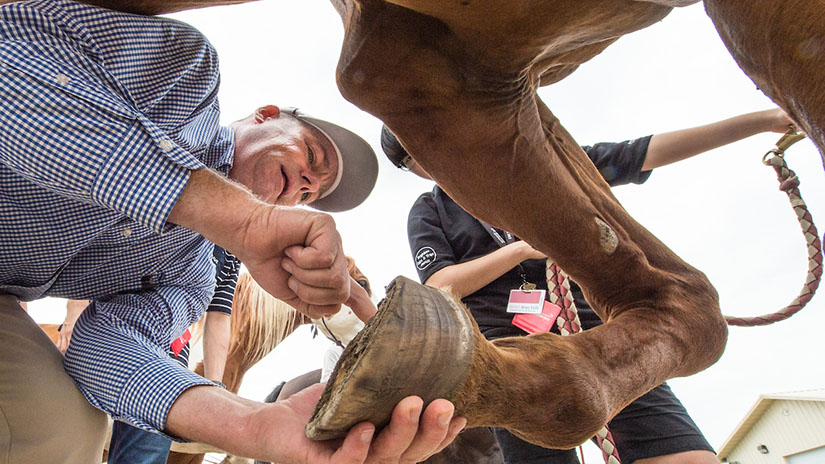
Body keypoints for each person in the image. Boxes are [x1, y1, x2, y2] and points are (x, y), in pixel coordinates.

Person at [0, 2, 463, 463]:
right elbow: (11, 67)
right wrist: (242, 220)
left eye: (310, 195)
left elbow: (102, 349)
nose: (307, 184)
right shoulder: (183, 72)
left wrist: (249, 425)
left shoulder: (191, 275)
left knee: (57, 425)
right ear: (266, 113)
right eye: (312, 156)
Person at [383, 108, 793, 464]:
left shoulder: (540, 169)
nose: (430, 155)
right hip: (511, 359)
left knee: (687, 456)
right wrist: (520, 251)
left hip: (605, 339)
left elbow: (638, 153)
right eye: (412, 156)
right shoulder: (430, 209)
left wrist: (765, 122)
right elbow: (440, 284)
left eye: (431, 137)